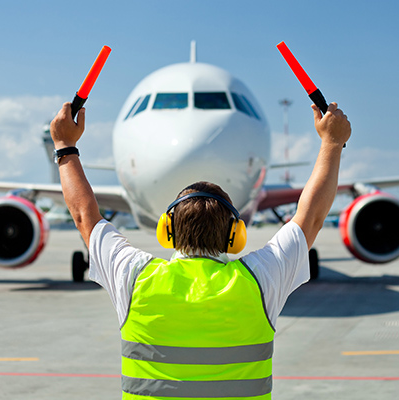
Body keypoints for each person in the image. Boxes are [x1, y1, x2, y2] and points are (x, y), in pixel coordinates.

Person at [50, 100, 351, 399]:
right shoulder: (259, 281)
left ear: (167, 231)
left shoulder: (136, 278)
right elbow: (310, 217)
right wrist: (332, 143)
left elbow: (83, 215)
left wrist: (65, 145)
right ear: (236, 235)